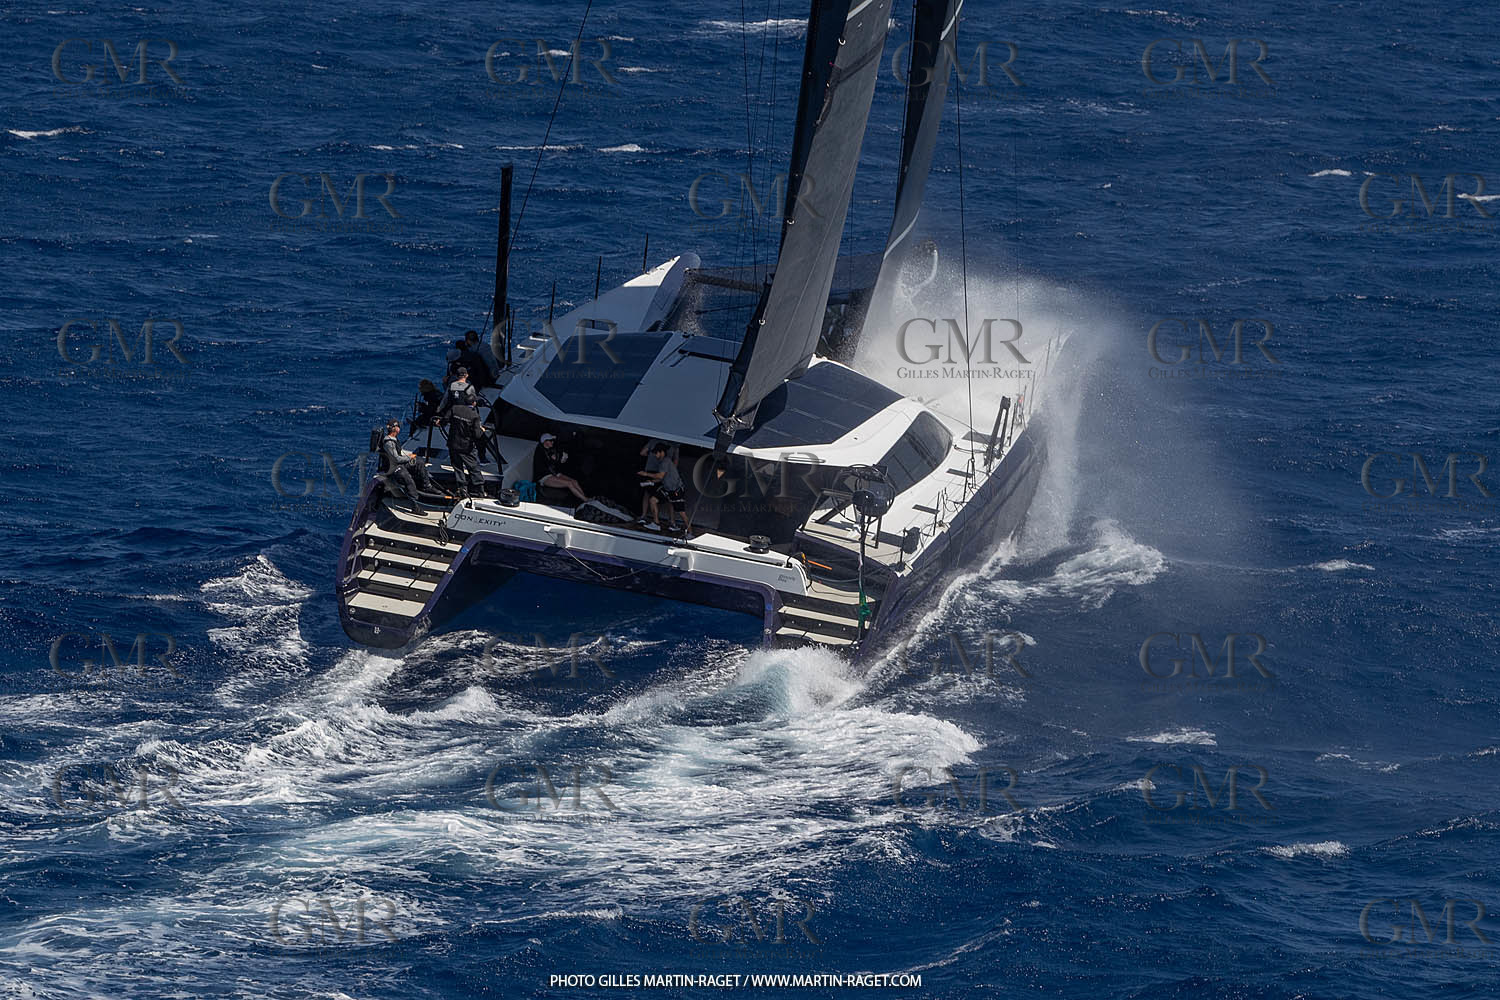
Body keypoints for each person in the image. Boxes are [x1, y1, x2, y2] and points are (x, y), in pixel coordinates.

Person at [380, 419, 441, 505]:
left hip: (398, 463)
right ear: (395, 429)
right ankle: (415, 504)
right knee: (408, 479)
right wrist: (409, 457)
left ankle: (427, 486)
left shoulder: (394, 439)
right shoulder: (389, 443)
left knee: (419, 462)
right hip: (393, 467)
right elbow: (396, 459)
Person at [639, 441, 690, 534]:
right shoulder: (662, 462)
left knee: (682, 513)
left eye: (656, 453)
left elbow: (660, 476)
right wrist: (651, 482)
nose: (655, 455)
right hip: (666, 488)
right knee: (653, 500)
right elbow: (661, 479)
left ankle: (690, 532)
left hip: (676, 490)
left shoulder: (665, 462)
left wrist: (645, 474)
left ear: (661, 452)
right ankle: (656, 524)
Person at [532, 432, 587, 503]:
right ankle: (585, 500)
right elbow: (545, 466)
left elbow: (556, 463)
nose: (552, 442)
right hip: (544, 477)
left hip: (553, 473)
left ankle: (584, 497)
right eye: (550, 440)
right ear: (545, 442)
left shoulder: (550, 450)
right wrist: (553, 460)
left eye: (552, 440)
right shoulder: (540, 451)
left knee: (574, 481)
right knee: (569, 483)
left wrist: (559, 459)